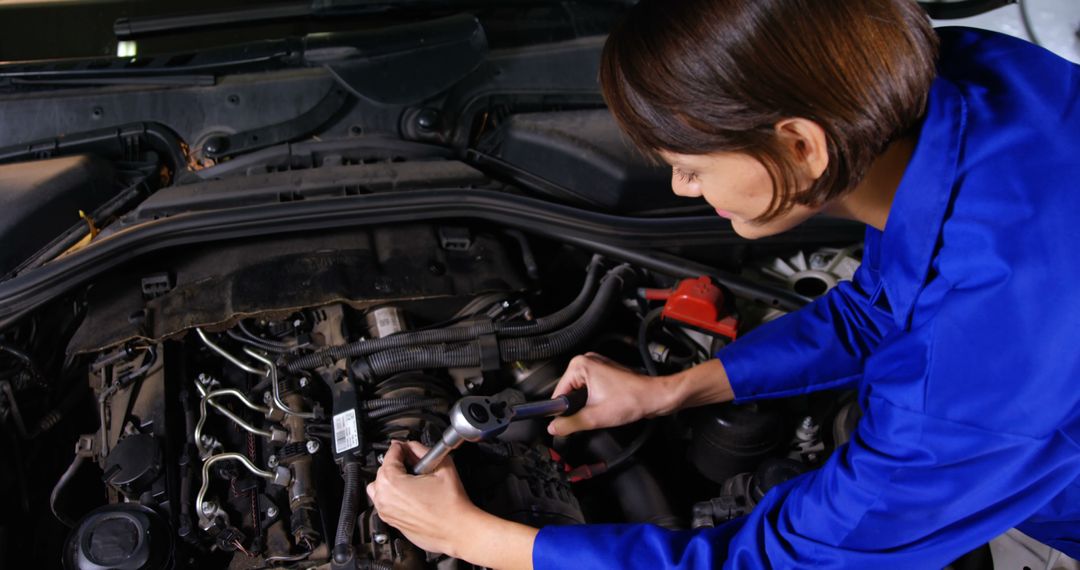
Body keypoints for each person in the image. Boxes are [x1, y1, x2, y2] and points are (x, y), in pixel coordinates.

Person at [366, 0, 1080, 567]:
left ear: (800, 143)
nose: (680, 187)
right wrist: (677, 388)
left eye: (691, 165)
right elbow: (880, 307)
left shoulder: (970, 369)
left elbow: (782, 563)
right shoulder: (968, 79)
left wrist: (476, 540)